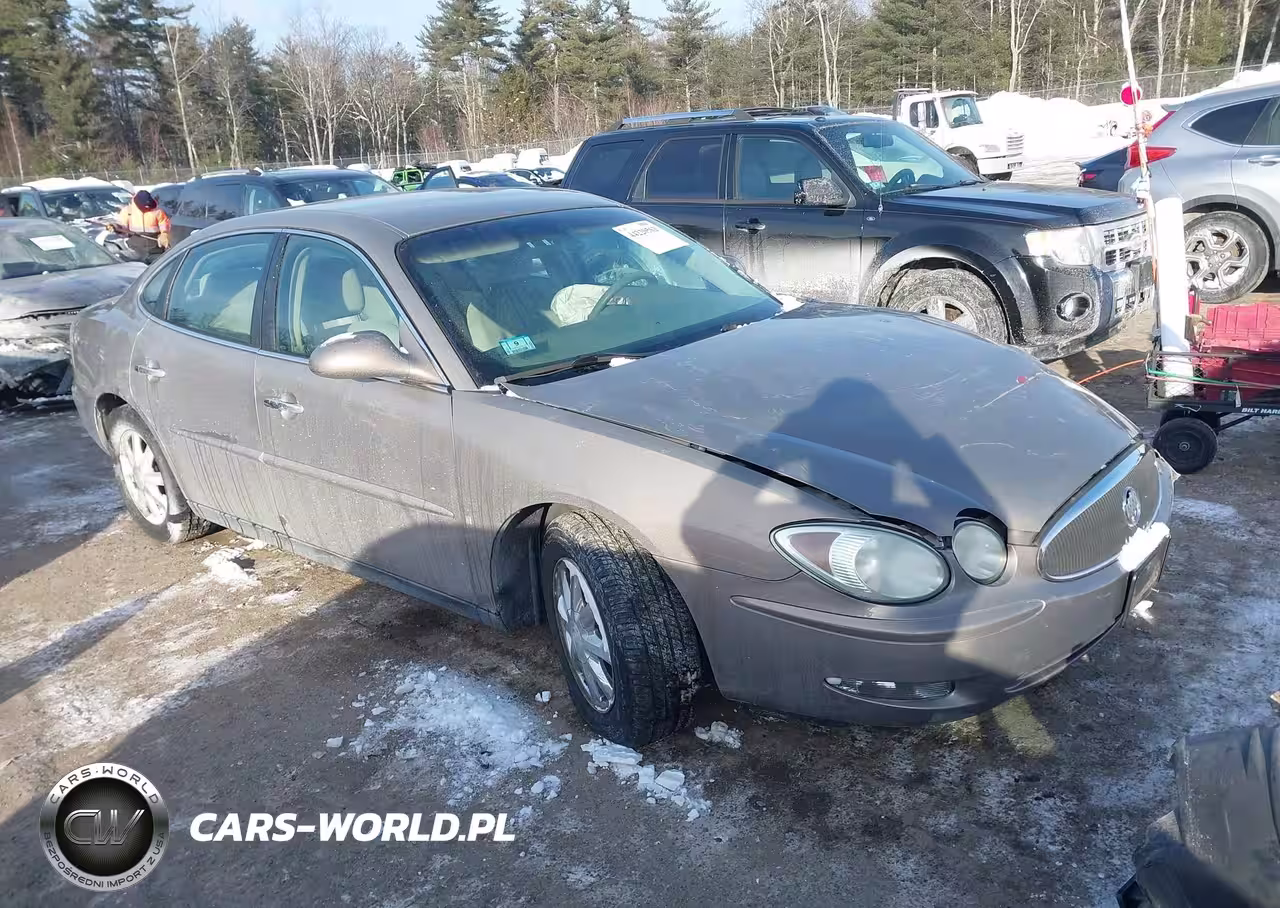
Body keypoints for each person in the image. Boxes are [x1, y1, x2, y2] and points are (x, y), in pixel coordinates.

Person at [112, 190, 170, 261]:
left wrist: (164, 234)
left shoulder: (157, 211)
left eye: (148, 205)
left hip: (155, 248)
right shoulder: (128, 211)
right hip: (135, 248)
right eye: (144, 206)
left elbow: (164, 223)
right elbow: (122, 227)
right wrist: (116, 228)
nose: (147, 207)